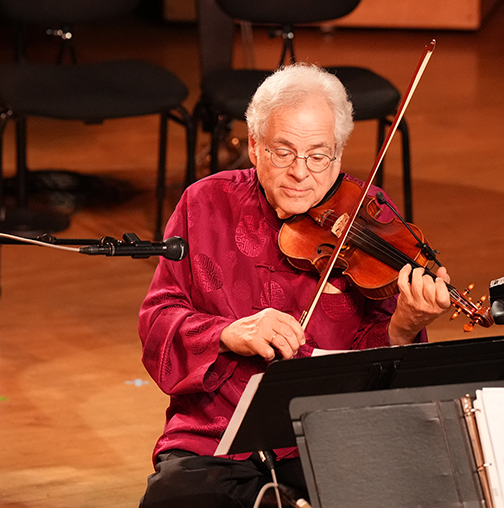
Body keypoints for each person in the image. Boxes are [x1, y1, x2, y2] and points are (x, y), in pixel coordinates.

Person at [138, 63, 451, 508]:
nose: (301, 173)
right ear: (253, 146)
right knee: (175, 498)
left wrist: (404, 325)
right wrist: (229, 333)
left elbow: (384, 378)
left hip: (327, 433)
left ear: (338, 155)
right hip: (215, 437)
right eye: (283, 152)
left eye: (318, 156)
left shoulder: (372, 216)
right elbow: (159, 322)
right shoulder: (204, 203)